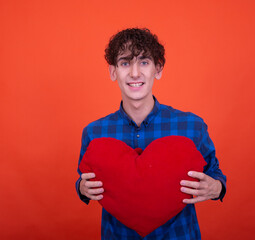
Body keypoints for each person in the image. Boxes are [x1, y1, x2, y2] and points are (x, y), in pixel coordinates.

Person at [76, 28, 226, 240]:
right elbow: (83, 180)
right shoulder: (94, 133)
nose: (135, 73)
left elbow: (215, 173)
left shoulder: (191, 126)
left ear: (158, 69)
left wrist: (217, 187)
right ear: (113, 71)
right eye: (125, 63)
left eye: (144, 62)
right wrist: (81, 188)